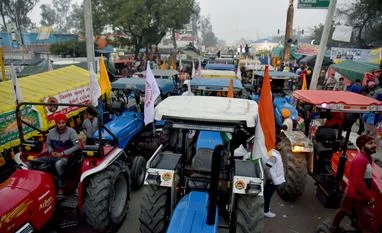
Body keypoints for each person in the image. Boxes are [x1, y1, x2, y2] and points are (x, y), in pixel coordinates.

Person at [329, 135, 377, 233]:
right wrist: (369, 197)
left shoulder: (367, 158)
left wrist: (377, 189)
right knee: (368, 221)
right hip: (356, 195)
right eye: (370, 143)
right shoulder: (360, 160)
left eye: (374, 143)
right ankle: (333, 227)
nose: (374, 145)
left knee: (344, 209)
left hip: (354, 193)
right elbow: (358, 182)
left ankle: (333, 227)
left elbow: (368, 178)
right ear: (363, 146)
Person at [46, 113, 79, 195]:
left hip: (68, 156)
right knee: (37, 161)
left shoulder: (72, 132)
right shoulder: (51, 132)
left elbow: (77, 146)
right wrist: (51, 151)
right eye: (59, 123)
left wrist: (63, 153)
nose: (61, 125)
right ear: (56, 123)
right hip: (54, 154)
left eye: (63, 122)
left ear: (65, 122)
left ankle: (62, 186)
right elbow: (48, 144)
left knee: (59, 164)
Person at [263, 136, 286, 218]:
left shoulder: (272, 153)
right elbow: (267, 167)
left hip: (273, 179)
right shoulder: (274, 155)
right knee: (268, 196)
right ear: (275, 145)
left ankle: (265, 208)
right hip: (273, 180)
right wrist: (269, 178)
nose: (281, 146)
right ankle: (265, 211)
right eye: (279, 145)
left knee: (267, 195)